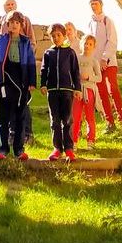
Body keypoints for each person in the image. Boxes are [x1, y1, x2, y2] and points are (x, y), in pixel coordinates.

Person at [0, 11, 37, 161]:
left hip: (21, 80)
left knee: (20, 116)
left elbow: (31, 62)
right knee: (3, 117)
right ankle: (3, 149)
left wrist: (31, 81)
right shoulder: (1, 40)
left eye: (17, 23)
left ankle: (18, 150)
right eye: (11, 23)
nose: (14, 26)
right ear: (7, 25)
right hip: (6, 79)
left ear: (21, 25)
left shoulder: (26, 42)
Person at [40, 23, 81, 162]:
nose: (56, 38)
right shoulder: (48, 53)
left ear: (64, 36)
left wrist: (77, 88)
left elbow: (75, 71)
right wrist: (43, 85)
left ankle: (69, 148)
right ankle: (57, 148)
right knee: (55, 120)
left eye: (59, 35)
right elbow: (44, 70)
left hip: (67, 90)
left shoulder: (70, 52)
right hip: (52, 90)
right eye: (53, 36)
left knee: (67, 120)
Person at [87, 0, 122, 132]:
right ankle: (110, 123)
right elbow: (90, 43)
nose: (93, 6)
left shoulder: (107, 20)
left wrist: (105, 58)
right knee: (102, 93)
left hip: (109, 62)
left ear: (101, 5)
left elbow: (112, 41)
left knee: (113, 89)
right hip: (97, 64)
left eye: (96, 3)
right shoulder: (90, 23)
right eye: (91, 4)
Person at [71, 34, 102, 149]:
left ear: (94, 47)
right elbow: (72, 72)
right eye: (85, 43)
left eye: (90, 44)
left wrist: (89, 77)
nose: (87, 46)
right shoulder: (76, 58)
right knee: (76, 116)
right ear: (81, 44)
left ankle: (91, 140)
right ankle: (73, 141)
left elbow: (99, 78)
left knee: (90, 116)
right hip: (78, 91)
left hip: (89, 90)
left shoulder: (94, 61)